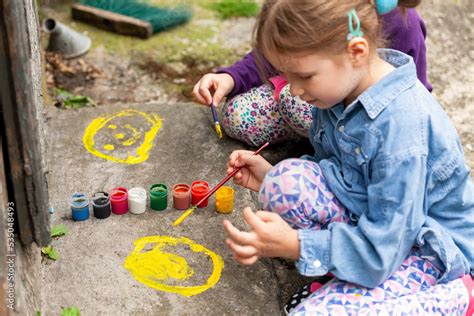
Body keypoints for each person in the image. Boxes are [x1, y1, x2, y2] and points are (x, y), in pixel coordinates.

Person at [221, 0, 474, 314]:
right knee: (282, 184)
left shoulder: (401, 129)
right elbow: (344, 170)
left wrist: (298, 245)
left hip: (429, 249)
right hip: (383, 223)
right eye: (288, 76)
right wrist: (269, 173)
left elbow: (386, 248)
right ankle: (349, 275)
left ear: (356, 52)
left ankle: (455, 298)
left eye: (304, 76)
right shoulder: (343, 91)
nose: (294, 90)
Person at [193, 1, 431, 147]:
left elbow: (415, 92)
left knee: (292, 100)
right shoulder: (298, 5)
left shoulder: (400, 22)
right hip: (318, 99)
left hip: (366, 119)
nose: (296, 85)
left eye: (305, 76)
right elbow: (276, 51)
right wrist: (232, 77)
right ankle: (319, 138)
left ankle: (331, 146)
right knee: (236, 116)